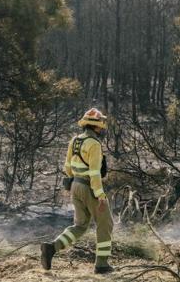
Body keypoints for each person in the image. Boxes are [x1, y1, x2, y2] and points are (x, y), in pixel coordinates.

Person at [40, 108, 114, 274]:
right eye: (101, 126)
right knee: (105, 224)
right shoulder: (94, 144)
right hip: (89, 187)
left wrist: (77, 180)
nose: (103, 129)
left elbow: (67, 167)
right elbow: (95, 173)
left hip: (75, 186)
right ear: (95, 127)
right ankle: (102, 265)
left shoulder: (75, 140)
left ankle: (52, 248)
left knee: (80, 225)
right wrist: (100, 196)